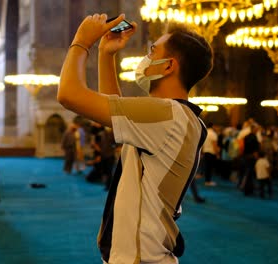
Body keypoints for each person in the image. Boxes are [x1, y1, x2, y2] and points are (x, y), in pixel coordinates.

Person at [57, 14, 213, 263]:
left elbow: (69, 95)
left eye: (152, 50)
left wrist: (81, 42)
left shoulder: (167, 114)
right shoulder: (174, 116)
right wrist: (107, 54)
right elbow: (114, 115)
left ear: (168, 66)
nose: (145, 57)